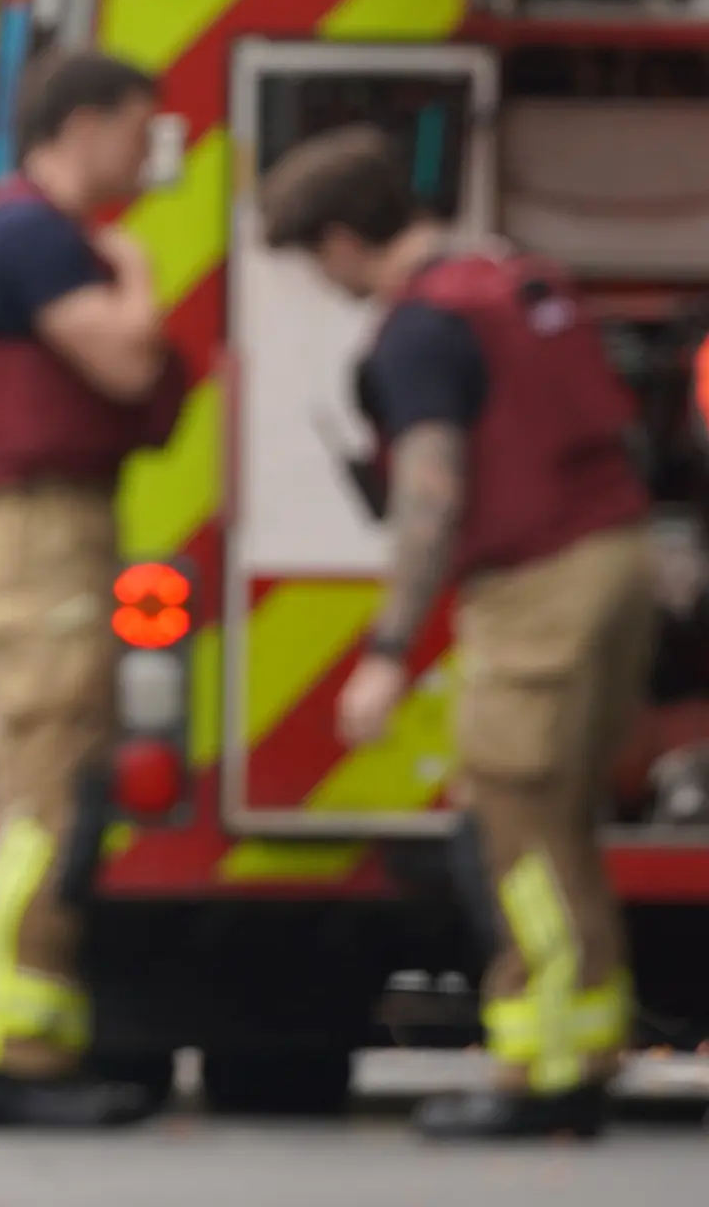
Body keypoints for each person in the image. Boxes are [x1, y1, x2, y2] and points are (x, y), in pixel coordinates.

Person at [258, 123, 653, 1139]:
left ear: (346, 236)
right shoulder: (507, 277)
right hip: (617, 559)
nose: (325, 277)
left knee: (510, 828)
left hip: (538, 587)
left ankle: (545, 1066)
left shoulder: (421, 327)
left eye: (319, 256)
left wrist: (386, 652)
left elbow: (432, 494)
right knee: (561, 825)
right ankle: (582, 1042)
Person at [0, 48, 187, 1128]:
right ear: (82, 123)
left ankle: (17, 1034)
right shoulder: (32, 235)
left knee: (53, 791)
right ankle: (3, 1047)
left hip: (47, 527)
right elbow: (128, 366)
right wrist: (135, 270)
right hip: (38, 533)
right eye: (137, 124)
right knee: (44, 798)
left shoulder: (23, 235)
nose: (148, 148)